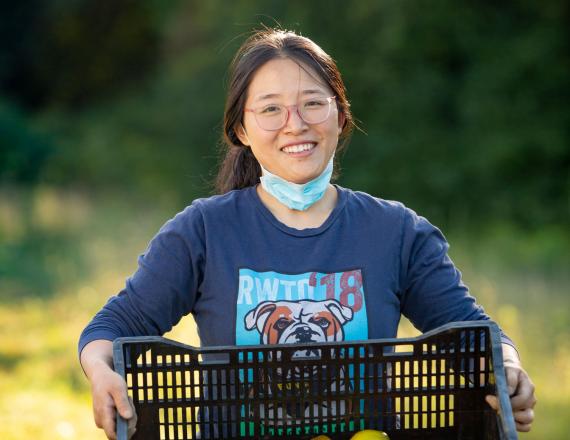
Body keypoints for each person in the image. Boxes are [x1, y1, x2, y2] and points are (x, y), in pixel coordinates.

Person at [79, 28, 536, 439]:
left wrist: (507, 369)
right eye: (271, 109)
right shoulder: (203, 231)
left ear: (340, 116)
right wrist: (101, 372)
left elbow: (471, 333)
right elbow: (115, 327)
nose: (296, 123)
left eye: (313, 103)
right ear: (241, 129)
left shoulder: (396, 232)